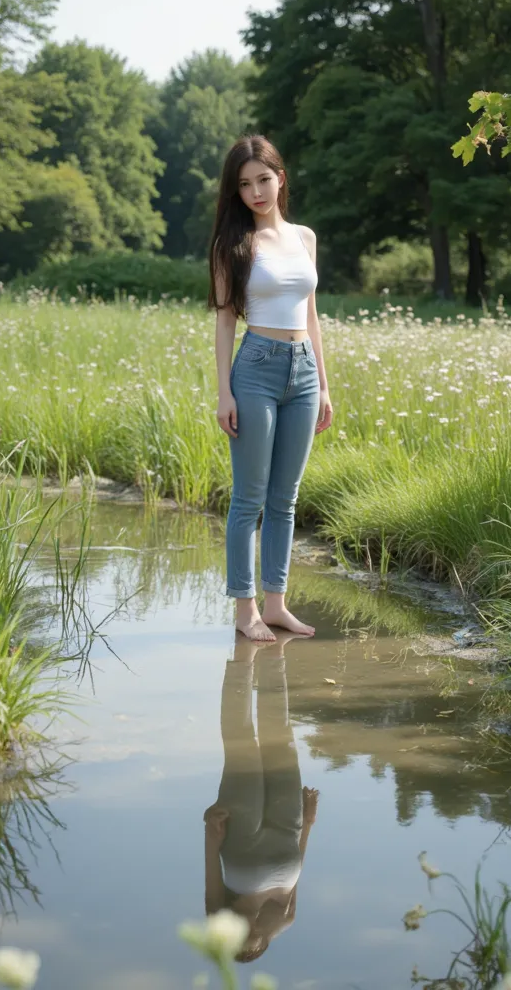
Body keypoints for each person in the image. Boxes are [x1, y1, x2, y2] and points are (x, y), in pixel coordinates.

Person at [209, 134, 333, 642]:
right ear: (236, 192)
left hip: (302, 371)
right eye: (244, 184)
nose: (256, 191)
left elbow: (312, 313)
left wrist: (324, 385)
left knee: (286, 498)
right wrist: (224, 393)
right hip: (255, 369)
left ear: (280, 178)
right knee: (249, 499)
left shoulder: (305, 238)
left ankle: (276, 605)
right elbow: (224, 322)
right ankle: (245, 612)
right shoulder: (232, 246)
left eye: (263, 178)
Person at [203, 634, 319, 963]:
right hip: (289, 826)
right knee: (281, 734)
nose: (247, 939)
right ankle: (275, 653)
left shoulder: (218, 913)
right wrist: (309, 825)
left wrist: (210, 835)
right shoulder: (284, 918)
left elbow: (210, 880)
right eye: (252, 945)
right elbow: (300, 872)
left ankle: (243, 656)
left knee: (242, 741)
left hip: (241, 834)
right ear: (262, 946)